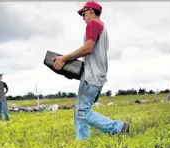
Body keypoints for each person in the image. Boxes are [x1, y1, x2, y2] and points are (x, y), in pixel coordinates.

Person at [52, 1, 129, 140]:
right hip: (97, 76)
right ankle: (82, 141)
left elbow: (88, 49)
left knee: (82, 111)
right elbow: (93, 55)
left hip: (92, 77)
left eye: (83, 13)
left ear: (91, 11)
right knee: (79, 110)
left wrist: (64, 58)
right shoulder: (103, 28)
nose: (83, 17)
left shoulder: (93, 24)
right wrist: (71, 70)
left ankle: (117, 127)